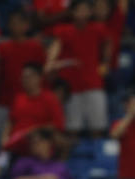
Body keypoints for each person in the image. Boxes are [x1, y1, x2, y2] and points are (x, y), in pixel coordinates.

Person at [46, 0, 111, 137]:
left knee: (97, 127)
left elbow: (107, 43)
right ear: (72, 12)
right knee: (72, 128)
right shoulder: (63, 30)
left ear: (91, 12)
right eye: (79, 9)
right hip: (71, 87)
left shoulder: (98, 28)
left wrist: (105, 62)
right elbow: (54, 51)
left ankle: (97, 157)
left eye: (85, 9)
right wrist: (52, 62)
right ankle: (72, 158)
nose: (82, 13)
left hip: (93, 84)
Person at [0, 9, 47, 140]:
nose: (16, 26)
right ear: (9, 25)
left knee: (27, 141)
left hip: (29, 103)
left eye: (19, 23)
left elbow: (43, 75)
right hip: (5, 101)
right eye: (13, 23)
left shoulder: (35, 47)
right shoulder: (2, 48)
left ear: (26, 25)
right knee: (2, 140)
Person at [2, 62, 65, 156]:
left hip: (39, 144)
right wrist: (4, 138)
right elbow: (11, 121)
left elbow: (58, 125)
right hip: (16, 144)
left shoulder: (50, 98)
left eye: (29, 76)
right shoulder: (19, 98)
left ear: (39, 78)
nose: (25, 80)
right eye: (23, 77)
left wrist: (34, 130)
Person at [11, 128, 75, 179]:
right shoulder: (24, 162)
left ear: (48, 143)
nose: (34, 145)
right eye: (32, 143)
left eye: (38, 142)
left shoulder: (59, 165)